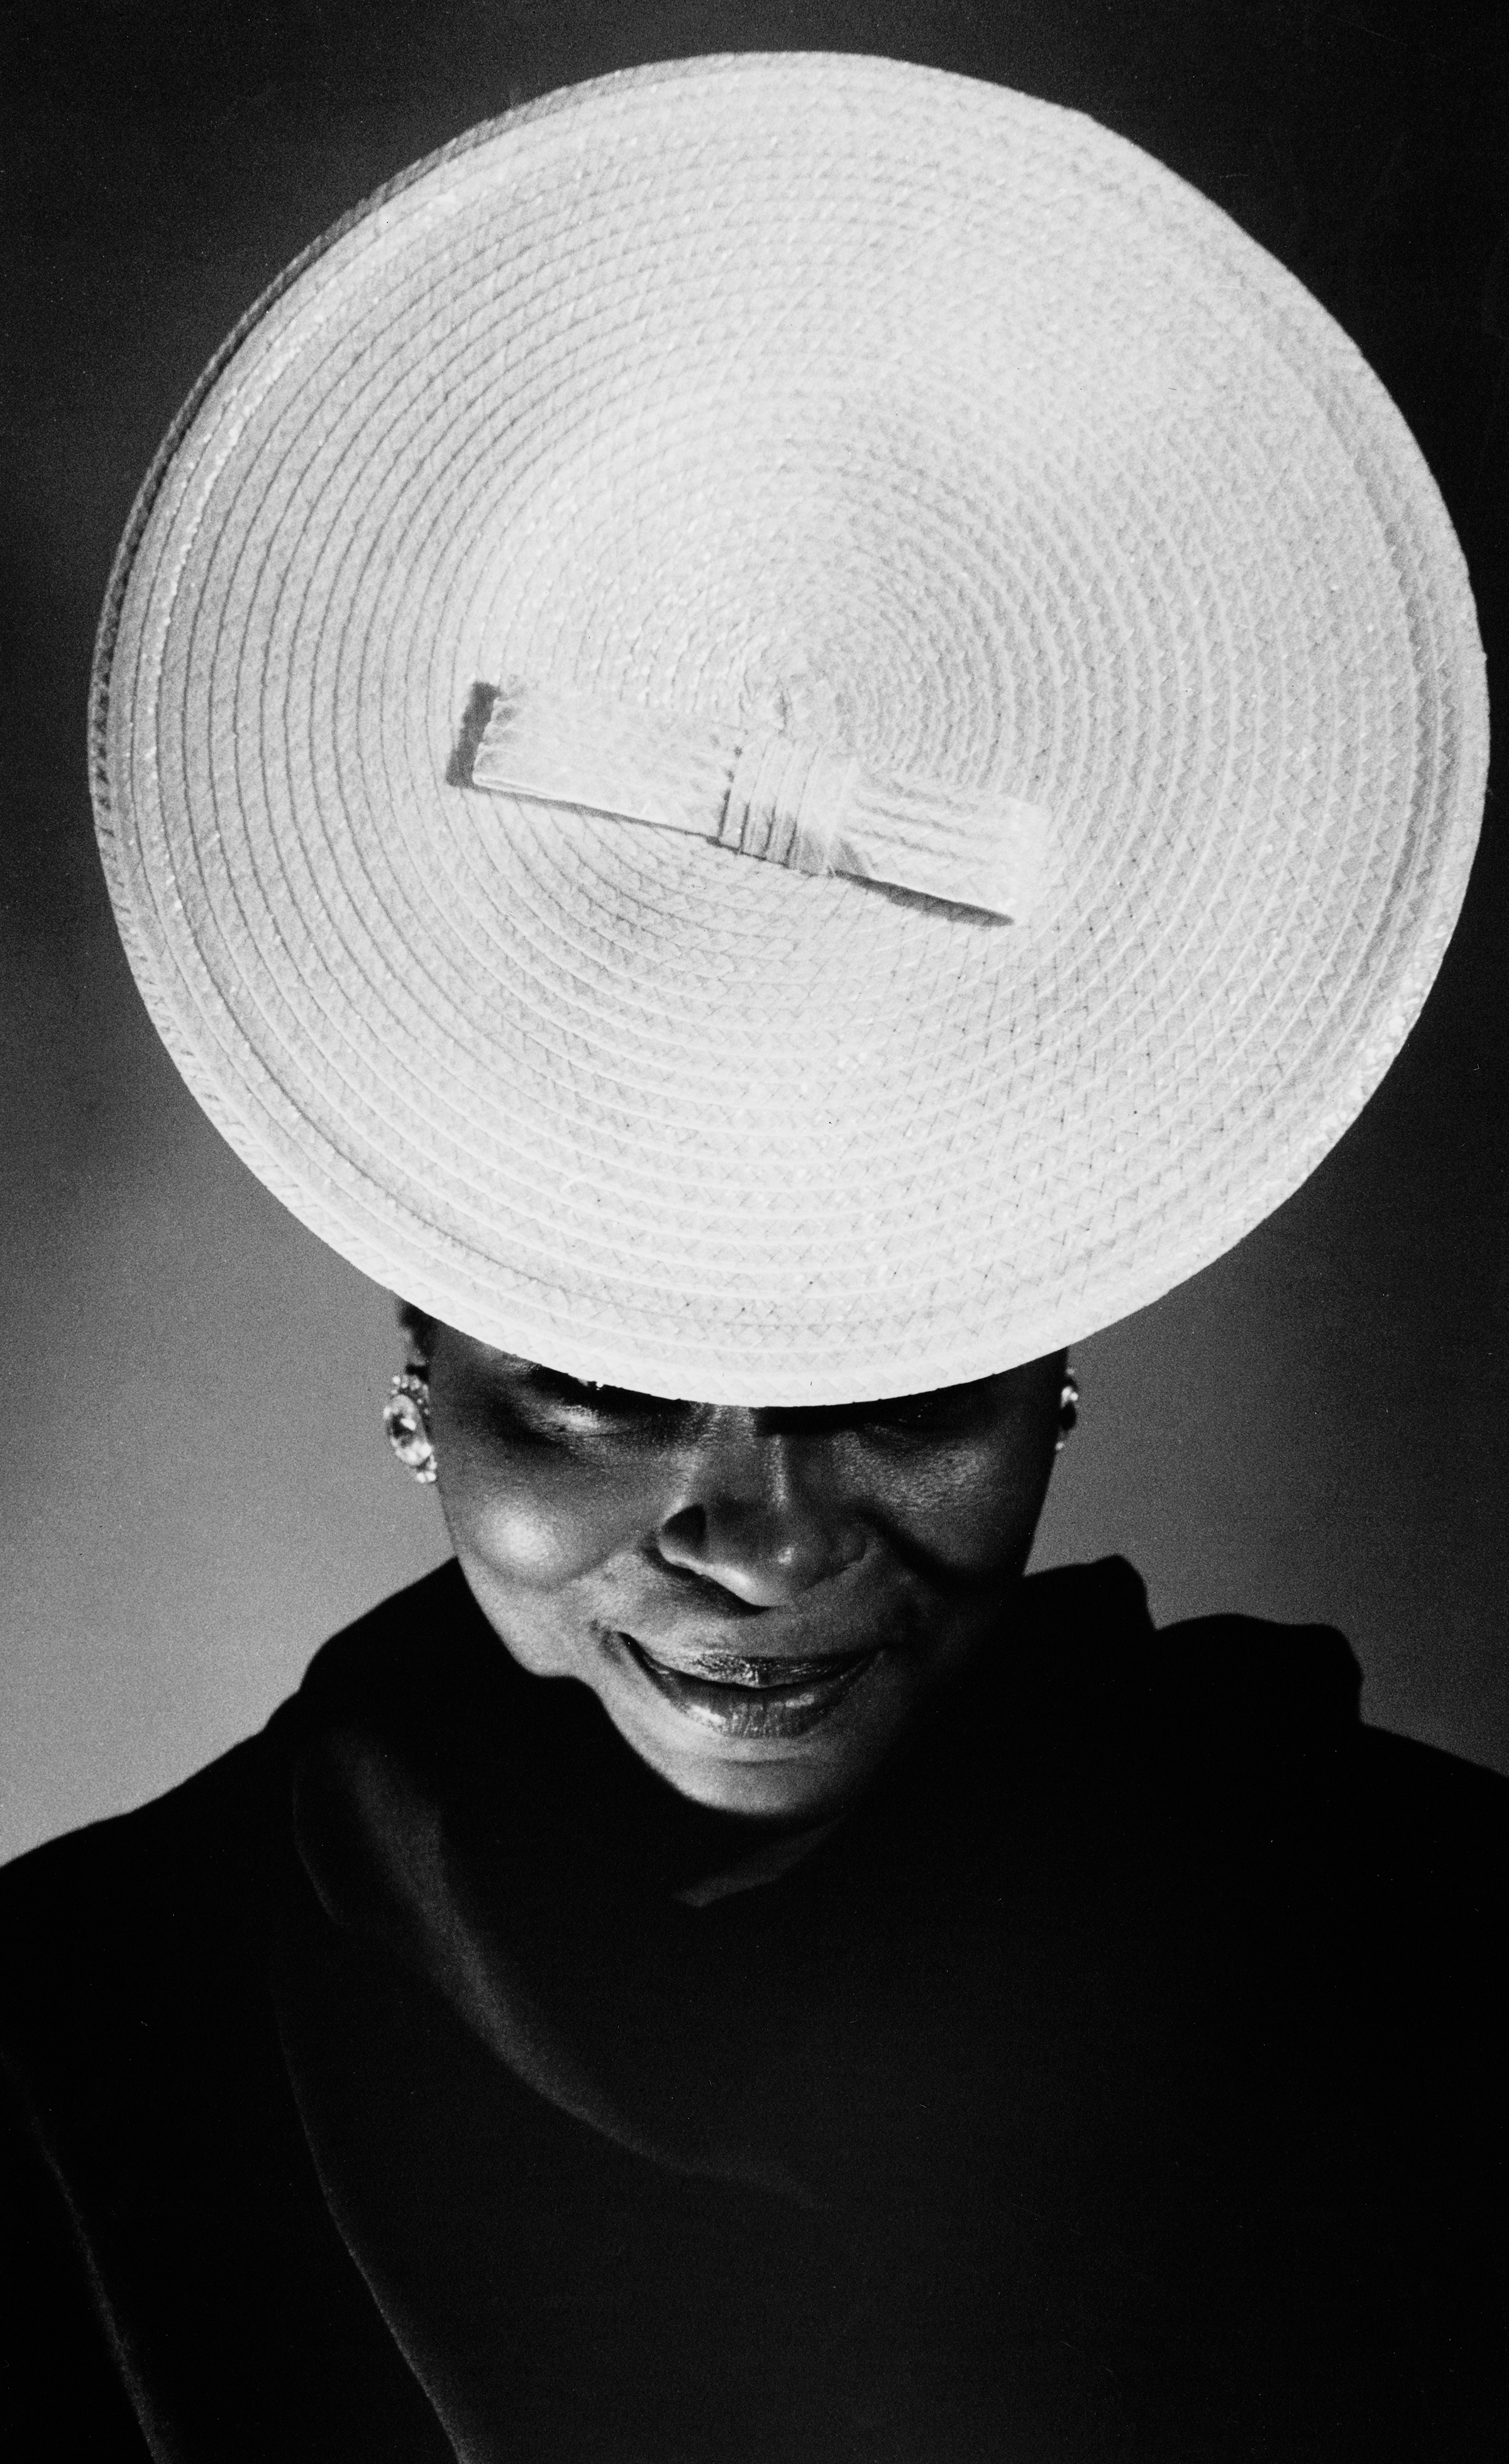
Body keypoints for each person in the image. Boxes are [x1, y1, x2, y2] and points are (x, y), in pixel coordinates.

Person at [3, 48, 1502, 2461]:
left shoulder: (1438, 1964)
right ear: (419, 1369)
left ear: (1055, 1367)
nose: (769, 1534)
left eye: (897, 1380)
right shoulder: (74, 2056)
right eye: (590, 1383)